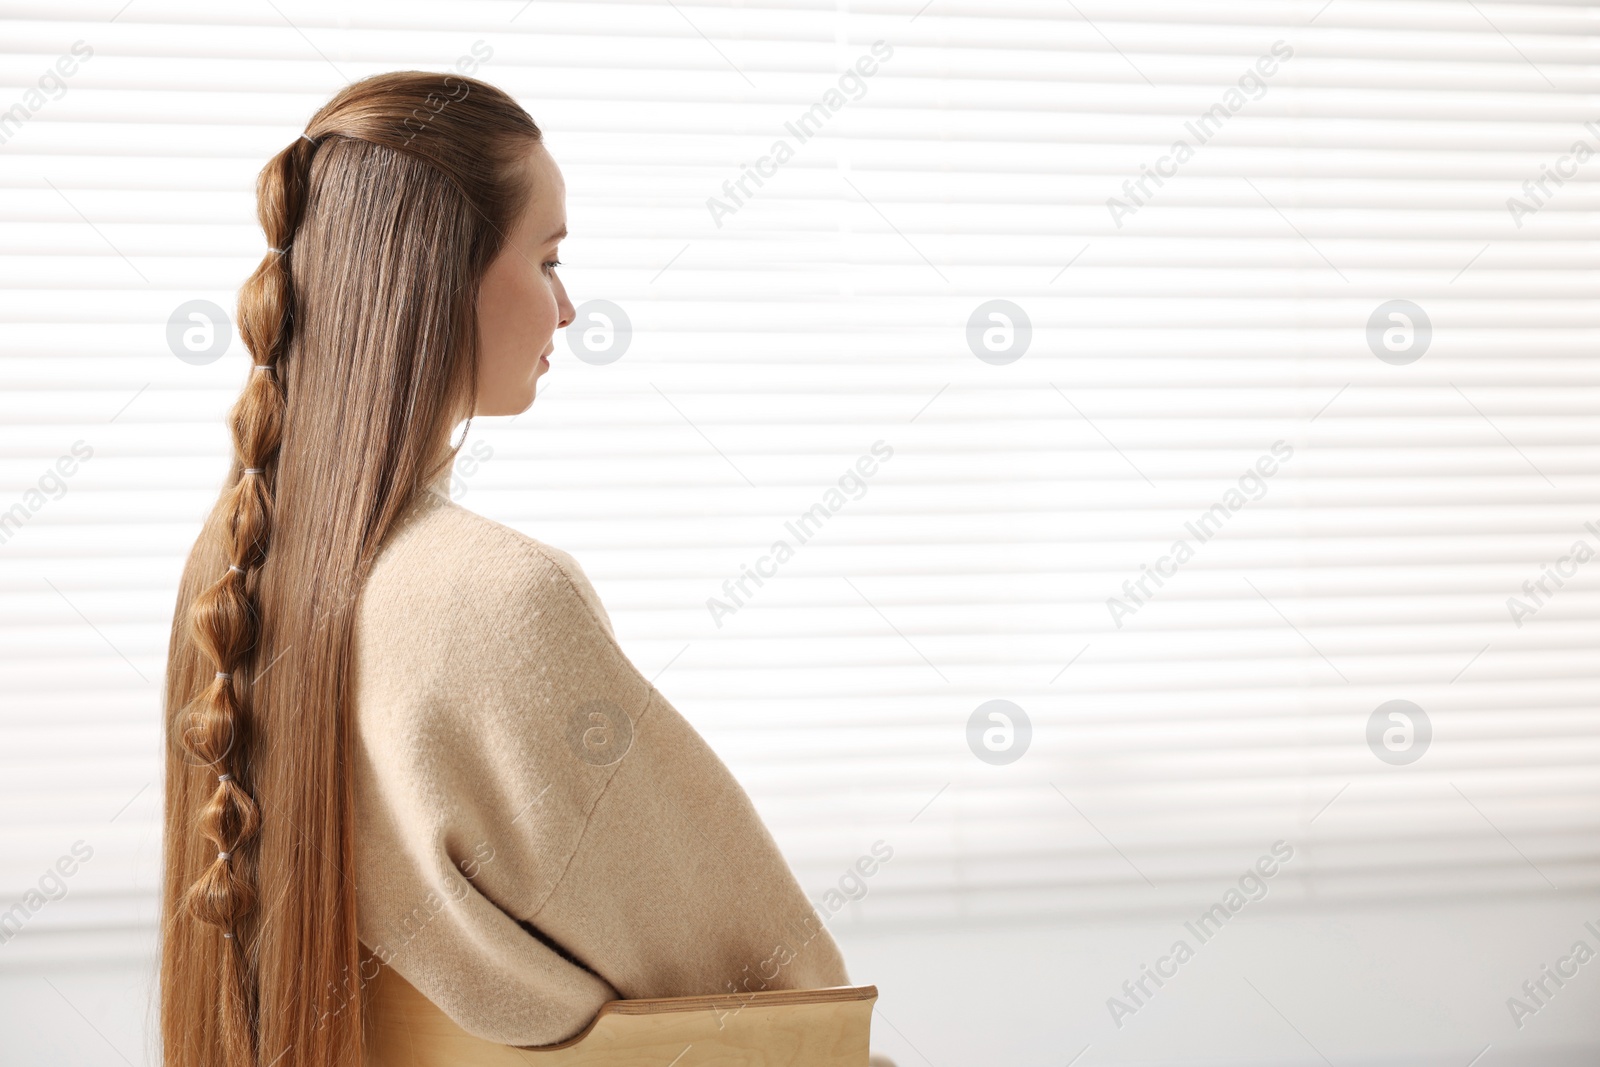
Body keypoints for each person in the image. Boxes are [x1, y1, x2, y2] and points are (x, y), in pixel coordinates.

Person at [159, 70, 852, 1067]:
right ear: (439, 275)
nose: (567, 309)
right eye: (549, 258)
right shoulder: (496, 598)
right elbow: (781, 999)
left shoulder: (229, 573)